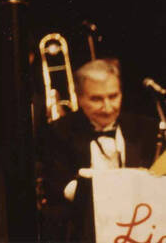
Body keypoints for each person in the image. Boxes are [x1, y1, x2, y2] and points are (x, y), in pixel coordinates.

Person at [40, 58, 158, 241]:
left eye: (113, 96)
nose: (107, 107)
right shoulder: (59, 132)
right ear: (79, 98)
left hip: (140, 226)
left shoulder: (146, 128)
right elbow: (58, 184)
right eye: (96, 99)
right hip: (84, 229)